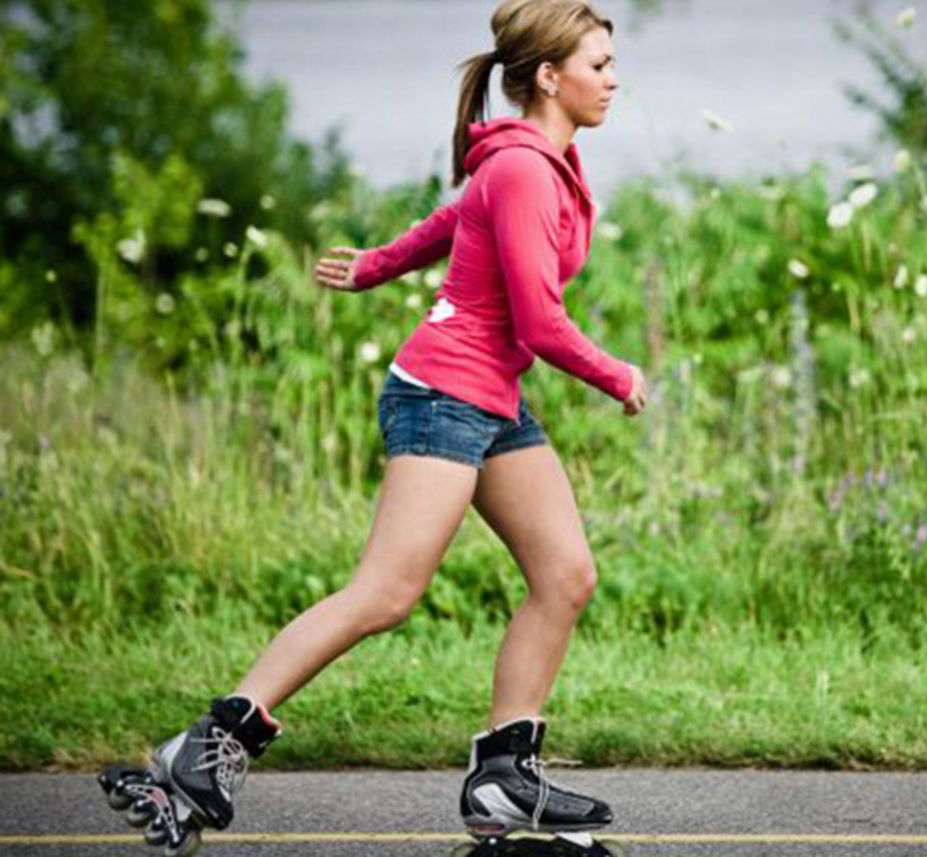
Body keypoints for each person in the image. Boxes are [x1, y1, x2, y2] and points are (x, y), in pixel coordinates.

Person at [99, 1, 645, 853]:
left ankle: (504, 777)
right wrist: (618, 372)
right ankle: (205, 747)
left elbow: (456, 222)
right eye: (600, 64)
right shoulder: (529, 169)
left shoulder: (541, 161)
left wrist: (378, 265)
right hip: (443, 394)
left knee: (566, 572)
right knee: (387, 592)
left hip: (489, 395)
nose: (614, 80)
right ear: (549, 76)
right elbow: (540, 322)